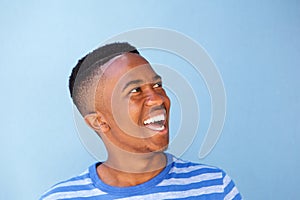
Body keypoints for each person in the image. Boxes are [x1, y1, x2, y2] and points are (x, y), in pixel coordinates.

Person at [40, 42, 242, 200]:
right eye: (135, 91)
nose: (158, 99)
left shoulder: (215, 187)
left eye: (157, 85)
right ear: (98, 122)